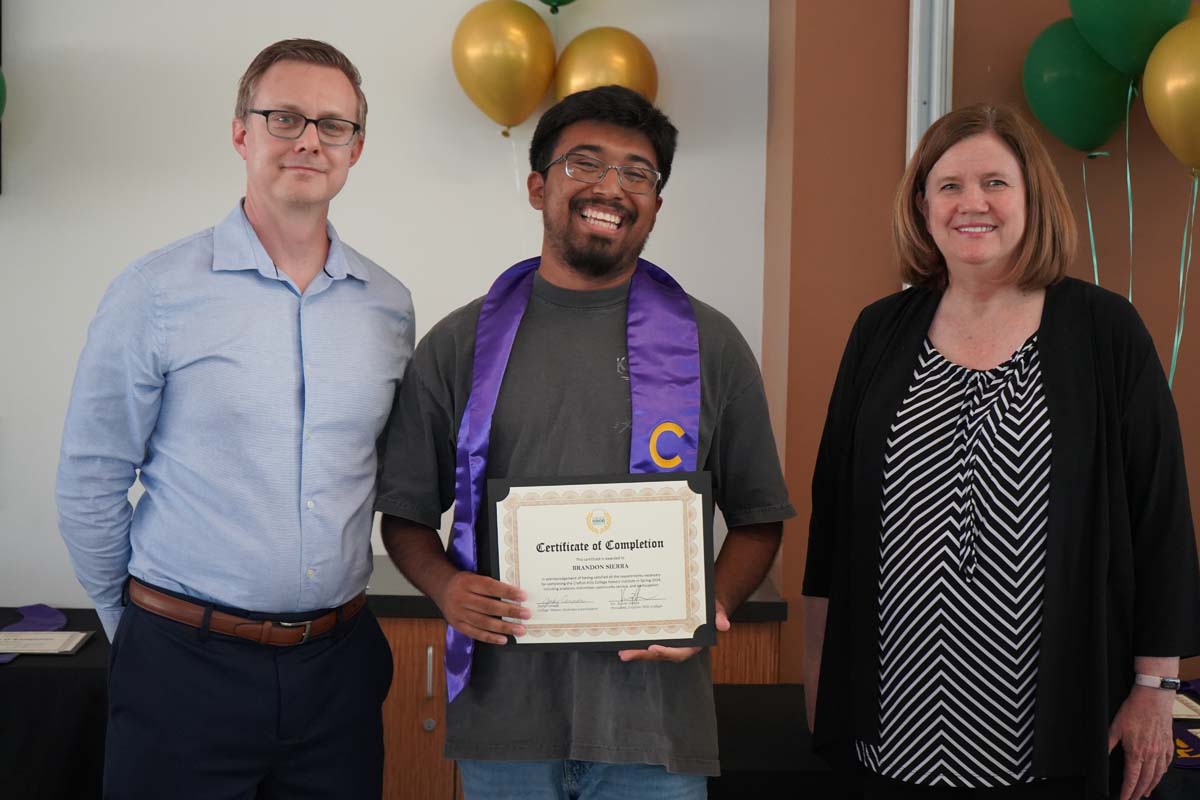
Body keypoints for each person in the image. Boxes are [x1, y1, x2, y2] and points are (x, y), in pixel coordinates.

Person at [374, 84, 793, 799]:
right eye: (586, 164)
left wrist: (706, 609)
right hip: (505, 721)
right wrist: (446, 588)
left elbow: (758, 519)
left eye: (639, 173)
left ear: (655, 204)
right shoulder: (459, 344)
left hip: (656, 731)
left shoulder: (710, 344)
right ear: (538, 186)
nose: (612, 186)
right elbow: (407, 513)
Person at [802, 103, 1200, 800]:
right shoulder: (879, 333)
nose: (971, 203)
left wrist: (1155, 687)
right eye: (949, 185)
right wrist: (819, 681)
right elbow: (832, 523)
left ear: (1031, 197)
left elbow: (1159, 516)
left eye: (995, 182)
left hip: (1055, 728)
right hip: (893, 724)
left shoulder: (1105, 331)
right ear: (922, 203)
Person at [55, 39, 412, 799]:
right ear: (241, 132)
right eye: (285, 118)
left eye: (332, 124)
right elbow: (90, 480)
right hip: (183, 665)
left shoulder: (388, 306)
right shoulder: (154, 292)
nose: (309, 140)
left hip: (337, 671)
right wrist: (143, 633)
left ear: (356, 148)